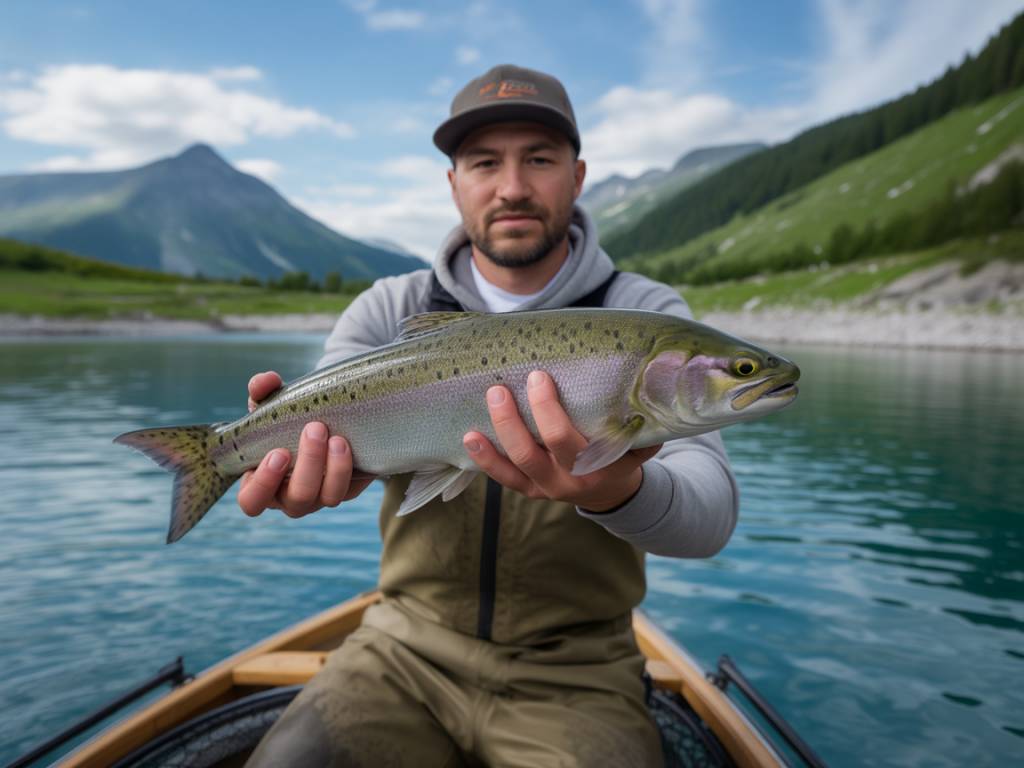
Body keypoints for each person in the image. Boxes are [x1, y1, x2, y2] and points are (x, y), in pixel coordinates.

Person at [241, 64, 739, 768]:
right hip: (401, 647)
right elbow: (320, 429)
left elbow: (711, 514)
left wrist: (617, 491)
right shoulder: (389, 309)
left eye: (539, 159)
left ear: (578, 175)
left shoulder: (647, 316)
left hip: (580, 672)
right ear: (454, 183)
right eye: (484, 162)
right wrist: (309, 465)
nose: (512, 186)